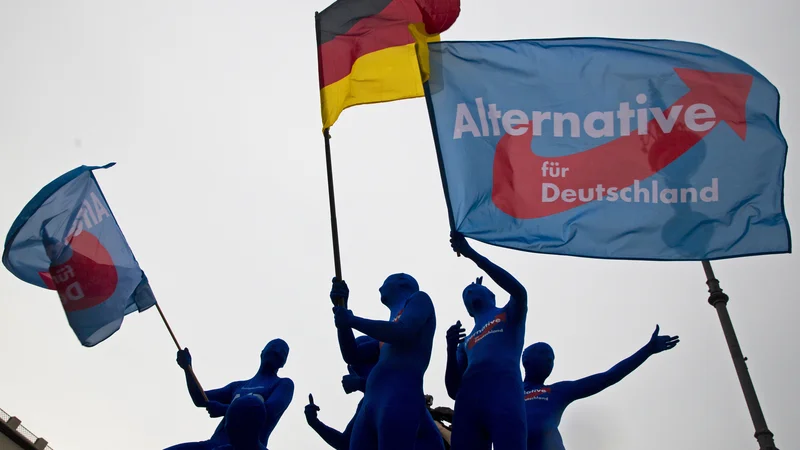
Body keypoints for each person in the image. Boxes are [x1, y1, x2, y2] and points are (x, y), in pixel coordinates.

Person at [331, 274, 444, 450]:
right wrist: (341, 311)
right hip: (371, 402)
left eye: (384, 282)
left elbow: (403, 331)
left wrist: (352, 320)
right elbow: (352, 355)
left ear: (402, 281)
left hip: (400, 394)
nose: (379, 288)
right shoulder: (386, 333)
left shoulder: (420, 299)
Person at [522, 326, 679, 450]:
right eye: (543, 353)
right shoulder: (507, 391)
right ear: (526, 360)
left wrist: (647, 351)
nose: (550, 359)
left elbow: (608, 377)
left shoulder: (557, 391)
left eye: (552, 357)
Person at [445, 231, 528, 450]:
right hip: (468, 403)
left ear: (491, 295)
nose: (470, 291)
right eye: (466, 293)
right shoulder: (467, 341)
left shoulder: (508, 314)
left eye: (475, 288)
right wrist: (450, 348)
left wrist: (472, 254)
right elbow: (453, 389)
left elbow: (519, 292)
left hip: (504, 394)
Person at [166, 339, 294, 450]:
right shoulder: (238, 386)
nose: (276, 351)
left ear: (283, 363)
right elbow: (200, 399)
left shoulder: (283, 384)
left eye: (282, 352)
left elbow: (266, 411)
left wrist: (223, 409)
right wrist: (188, 368)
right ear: (262, 353)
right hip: (213, 444)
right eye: (272, 347)